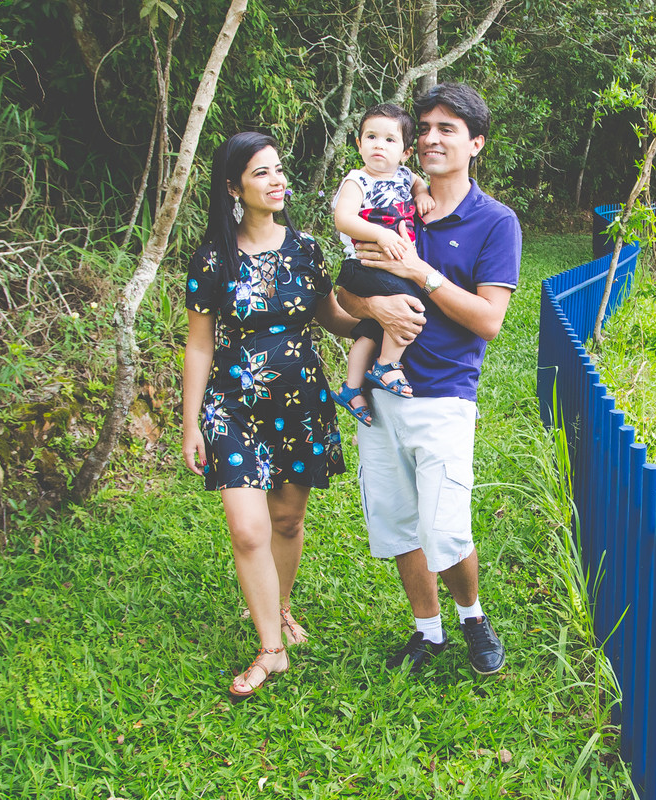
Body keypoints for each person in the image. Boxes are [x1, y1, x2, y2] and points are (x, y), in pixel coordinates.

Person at [337, 83, 522, 675]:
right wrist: (376, 311)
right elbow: (348, 294)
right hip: (382, 394)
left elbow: (490, 320)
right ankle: (428, 630)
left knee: (447, 528)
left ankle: (471, 616)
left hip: (445, 395)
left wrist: (420, 272)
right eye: (425, 128)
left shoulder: (496, 222)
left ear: (476, 143)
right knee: (397, 524)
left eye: (448, 129)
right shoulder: (385, 206)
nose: (432, 138)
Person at [181, 131, 358, 698]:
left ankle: (279, 607)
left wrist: (382, 321)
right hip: (232, 404)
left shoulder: (306, 249)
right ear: (234, 187)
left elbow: (332, 316)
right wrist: (190, 423)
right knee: (248, 528)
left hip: (301, 403)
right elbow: (199, 345)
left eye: (278, 170)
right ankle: (271, 650)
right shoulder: (212, 256)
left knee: (285, 521)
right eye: (262, 173)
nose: (278, 180)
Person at [331, 103, 436, 424]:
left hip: (386, 266)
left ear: (405, 153)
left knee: (375, 328)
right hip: (362, 265)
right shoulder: (357, 181)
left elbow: (419, 183)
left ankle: (351, 387)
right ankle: (387, 366)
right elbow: (343, 218)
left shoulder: (405, 175)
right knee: (410, 305)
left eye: (389, 140)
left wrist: (421, 193)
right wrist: (381, 235)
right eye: (371, 137)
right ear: (359, 144)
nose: (379, 144)